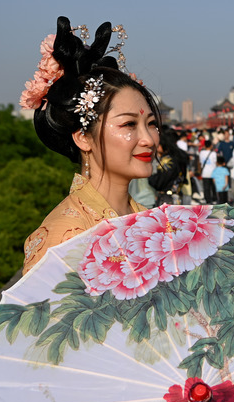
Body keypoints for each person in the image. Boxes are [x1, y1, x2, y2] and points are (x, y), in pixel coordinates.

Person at [22, 16, 161, 274]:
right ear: (83, 137)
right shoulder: (63, 237)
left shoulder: (149, 220)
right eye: (129, 125)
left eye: (151, 123)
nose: (149, 139)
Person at [199, 140, 217, 204]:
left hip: (204, 173)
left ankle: (207, 200)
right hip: (213, 173)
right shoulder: (213, 153)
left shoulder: (201, 153)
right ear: (211, 145)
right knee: (213, 187)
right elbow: (215, 162)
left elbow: (200, 162)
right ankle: (214, 199)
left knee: (206, 188)